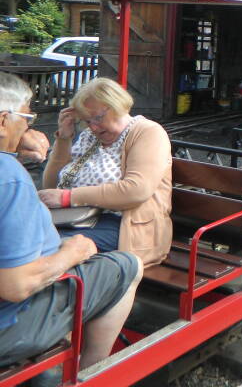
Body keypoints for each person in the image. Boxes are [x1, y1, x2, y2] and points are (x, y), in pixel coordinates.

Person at [0, 71, 142, 370]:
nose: (28, 126)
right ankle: (88, 373)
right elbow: (15, 286)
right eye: (27, 118)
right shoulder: (10, 176)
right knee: (122, 265)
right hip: (10, 325)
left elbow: (136, 190)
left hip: (117, 221)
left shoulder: (144, 133)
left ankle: (82, 364)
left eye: (97, 118)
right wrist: (70, 254)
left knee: (96, 254)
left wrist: (12, 148)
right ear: (3, 121)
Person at [39, 78, 172, 267]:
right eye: (87, 121)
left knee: (47, 247)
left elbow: (136, 190)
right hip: (77, 219)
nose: (93, 127)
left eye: (98, 118)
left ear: (117, 106)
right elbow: (52, 186)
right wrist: (64, 139)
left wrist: (68, 198)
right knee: (22, 237)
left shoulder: (148, 132)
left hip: (127, 227)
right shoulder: (89, 137)